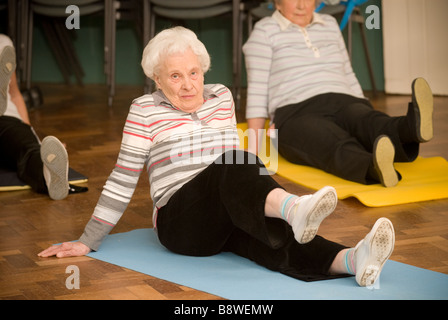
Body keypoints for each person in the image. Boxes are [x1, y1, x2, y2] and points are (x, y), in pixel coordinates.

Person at [38, 26, 395, 287]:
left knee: (268, 235)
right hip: (180, 222)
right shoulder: (143, 109)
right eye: (175, 76)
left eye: (193, 73)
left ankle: (350, 260)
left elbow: (237, 174)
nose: (187, 84)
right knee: (233, 163)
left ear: (203, 71)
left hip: (222, 212)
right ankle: (293, 208)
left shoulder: (221, 96)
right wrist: (89, 239)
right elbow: (123, 175)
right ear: (157, 80)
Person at [243, 0, 434, 187]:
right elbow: (257, 90)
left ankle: (411, 127)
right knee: (330, 140)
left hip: (343, 99)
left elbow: (348, 73)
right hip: (296, 111)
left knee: (369, 122)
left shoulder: (330, 24)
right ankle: (373, 166)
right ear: (277, 3)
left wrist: (363, 106)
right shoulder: (264, 30)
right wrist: (254, 150)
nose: (301, 5)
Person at [0, 34, 70, 200]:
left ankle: (48, 172)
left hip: (6, 118)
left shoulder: (4, 43)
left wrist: (36, 141)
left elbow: (15, 94)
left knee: (26, 149)